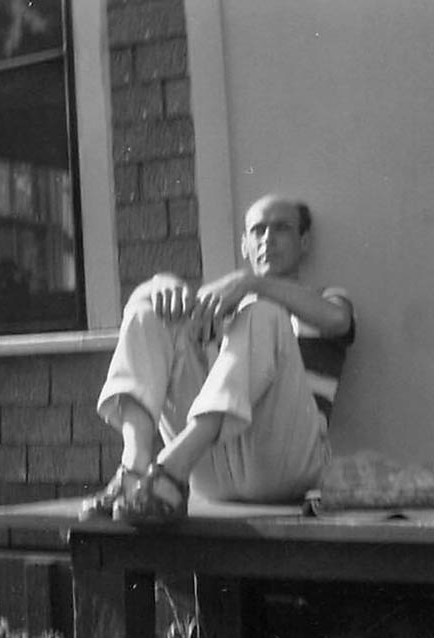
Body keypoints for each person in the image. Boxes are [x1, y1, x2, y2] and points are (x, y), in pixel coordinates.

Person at [80, 193, 354, 524]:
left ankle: (168, 468)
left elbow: (338, 320)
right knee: (149, 312)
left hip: (288, 466)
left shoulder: (324, 298)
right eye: (258, 230)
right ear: (245, 245)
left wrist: (251, 283)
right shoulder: (222, 304)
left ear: (304, 241)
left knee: (263, 312)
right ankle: (134, 470)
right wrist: (159, 285)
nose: (268, 239)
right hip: (209, 469)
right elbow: (138, 314)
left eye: (281, 228)